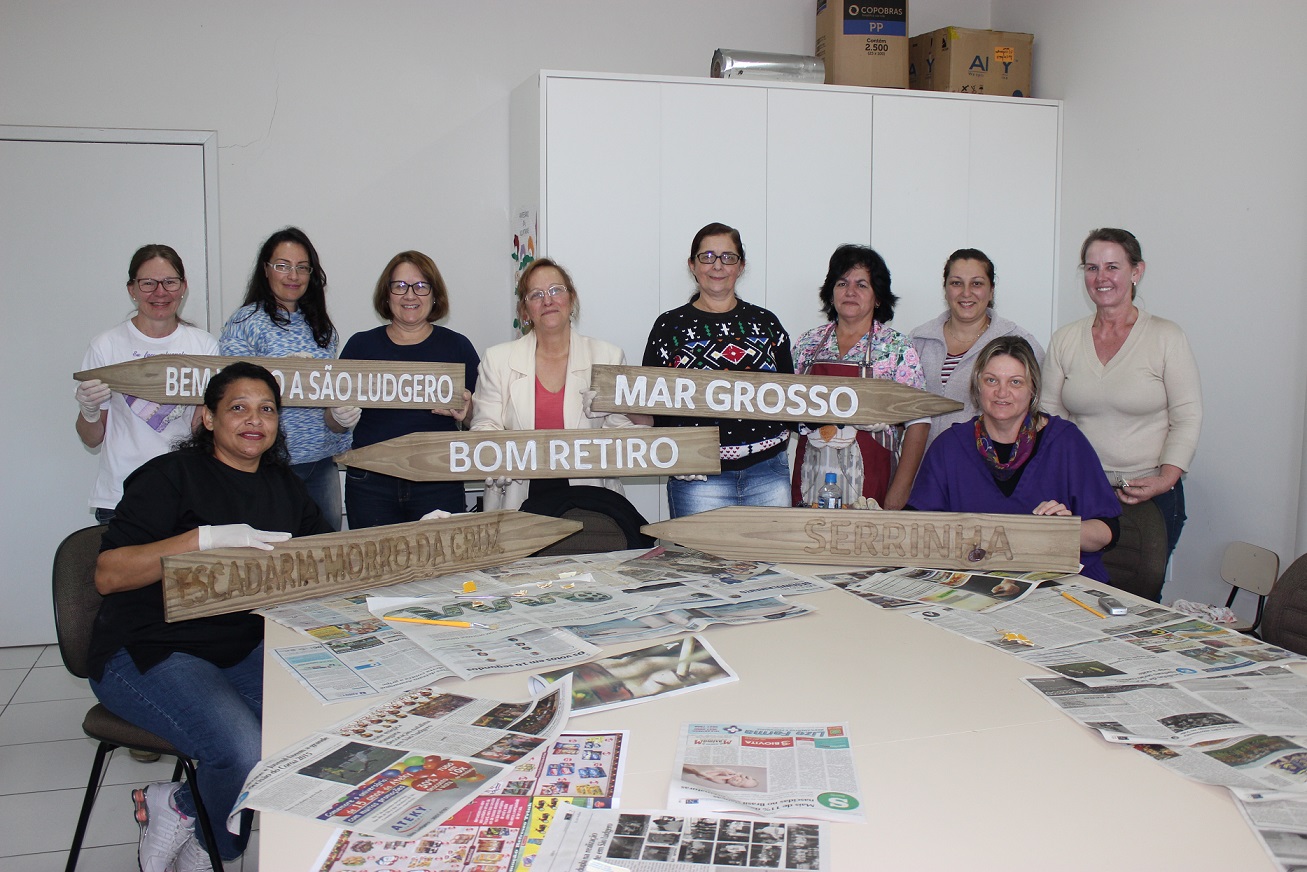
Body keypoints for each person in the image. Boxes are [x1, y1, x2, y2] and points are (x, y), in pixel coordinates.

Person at [88, 362, 333, 872]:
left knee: (317, 727)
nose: (254, 420)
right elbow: (108, 575)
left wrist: (413, 534)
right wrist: (201, 539)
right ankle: (216, 848)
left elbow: (328, 560)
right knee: (243, 752)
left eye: (267, 409)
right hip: (149, 649)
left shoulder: (285, 486)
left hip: (240, 644)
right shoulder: (168, 476)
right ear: (207, 417)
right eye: (238, 407)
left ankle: (179, 803)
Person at [1042, 228, 1202, 588]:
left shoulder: (1166, 337)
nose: (1101, 277)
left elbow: (1187, 417)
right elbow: (1050, 422)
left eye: (1112, 267)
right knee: (1074, 594)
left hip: (1151, 498)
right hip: (1082, 495)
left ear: (1136, 271)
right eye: (1092, 268)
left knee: (1138, 600)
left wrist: (1165, 479)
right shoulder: (1065, 339)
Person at [908, 336, 1121, 583]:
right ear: (977, 386)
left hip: (1060, 586)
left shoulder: (1066, 442)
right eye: (991, 380)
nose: (1002, 392)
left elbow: (1108, 531)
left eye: (1016, 382)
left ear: (1033, 389)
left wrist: (1064, 531)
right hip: (972, 585)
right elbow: (915, 527)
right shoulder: (950, 446)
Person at [642, 222, 793, 518]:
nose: (718, 265)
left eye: (728, 257)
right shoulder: (669, 327)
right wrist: (610, 404)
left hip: (768, 471)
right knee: (698, 551)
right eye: (707, 256)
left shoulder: (767, 324)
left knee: (771, 550)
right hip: (696, 474)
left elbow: (792, 397)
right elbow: (649, 405)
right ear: (692, 265)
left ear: (741, 266)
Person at [470, 258, 646, 509]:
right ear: (525, 310)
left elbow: (622, 435)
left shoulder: (607, 356)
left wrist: (673, 452)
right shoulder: (497, 360)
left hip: (590, 502)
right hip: (519, 501)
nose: (548, 301)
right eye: (536, 294)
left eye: (556, 290)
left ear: (571, 299)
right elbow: (484, 425)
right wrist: (495, 458)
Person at [75, 245, 218, 523]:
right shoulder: (106, 346)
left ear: (183, 287)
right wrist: (88, 412)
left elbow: (202, 431)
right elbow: (91, 438)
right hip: (120, 496)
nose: (160, 292)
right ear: (132, 289)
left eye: (170, 282)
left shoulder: (204, 346)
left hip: (186, 493)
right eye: (148, 283)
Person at [219, 227, 350, 529]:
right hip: (266, 463)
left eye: (302, 267)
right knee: (270, 550)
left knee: (327, 547)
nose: (293, 275)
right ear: (265, 269)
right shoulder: (245, 321)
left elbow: (327, 405)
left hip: (320, 464)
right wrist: (281, 374)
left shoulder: (322, 328)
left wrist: (339, 417)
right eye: (283, 265)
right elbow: (234, 392)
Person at [339, 250, 479, 525]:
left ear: (435, 295)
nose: (410, 295)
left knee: (442, 554)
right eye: (400, 286)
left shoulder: (457, 346)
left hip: (438, 479)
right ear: (387, 294)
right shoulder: (360, 346)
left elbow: (483, 418)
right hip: (370, 483)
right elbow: (332, 422)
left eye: (421, 286)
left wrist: (468, 410)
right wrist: (337, 415)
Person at [792, 244, 926, 510]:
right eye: (842, 283)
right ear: (831, 294)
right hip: (810, 477)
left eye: (861, 285)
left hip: (873, 482)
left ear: (878, 297)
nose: (850, 291)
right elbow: (784, 409)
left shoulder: (897, 348)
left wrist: (900, 490)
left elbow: (919, 422)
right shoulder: (808, 343)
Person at [911, 248, 1044, 448]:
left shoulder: (1021, 344)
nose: (966, 293)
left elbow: (1038, 414)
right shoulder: (918, 340)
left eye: (977, 284)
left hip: (988, 463)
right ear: (945, 289)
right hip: (926, 464)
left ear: (991, 291)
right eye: (956, 283)